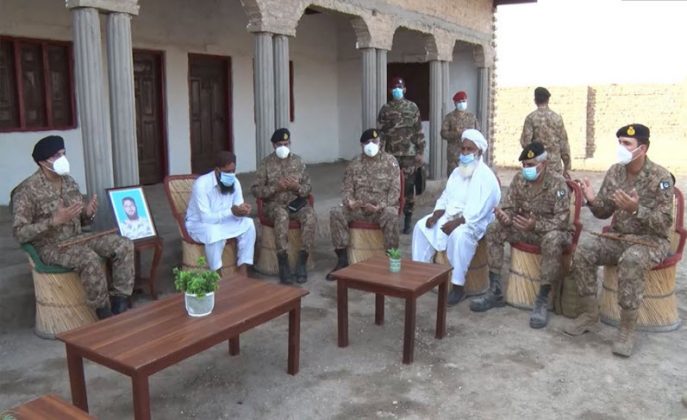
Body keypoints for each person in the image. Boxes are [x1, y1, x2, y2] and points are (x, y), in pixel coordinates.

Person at [564, 124, 674, 357]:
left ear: (642, 148)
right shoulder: (615, 171)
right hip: (619, 236)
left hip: (650, 241)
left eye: (627, 144)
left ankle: (626, 329)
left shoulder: (661, 177)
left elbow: (665, 223)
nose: (621, 148)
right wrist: (592, 199)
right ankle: (590, 314)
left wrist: (636, 210)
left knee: (632, 260)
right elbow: (604, 211)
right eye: (620, 142)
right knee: (584, 249)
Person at [11, 135, 134, 320]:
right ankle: (103, 311)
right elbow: (19, 233)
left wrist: (88, 212)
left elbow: (82, 221)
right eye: (56, 156)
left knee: (123, 244)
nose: (62, 159)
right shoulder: (26, 191)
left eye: (63, 153)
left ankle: (120, 301)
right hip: (51, 247)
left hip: (78, 238)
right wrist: (52, 221)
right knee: (88, 258)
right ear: (43, 161)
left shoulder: (69, 182)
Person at [470, 142, 572, 329]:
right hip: (523, 228)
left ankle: (542, 298)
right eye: (524, 165)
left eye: (531, 165)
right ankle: (495, 290)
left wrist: (537, 225)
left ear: (544, 164)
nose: (527, 169)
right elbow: (509, 208)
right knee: (494, 229)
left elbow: (563, 219)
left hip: (550, 232)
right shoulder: (519, 180)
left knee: (552, 239)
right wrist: (505, 217)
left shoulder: (558, 183)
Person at [411, 129, 500, 305]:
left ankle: (458, 286)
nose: (465, 153)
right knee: (421, 227)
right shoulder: (458, 172)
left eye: (470, 149)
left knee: (459, 236)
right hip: (451, 215)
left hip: (474, 221)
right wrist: (436, 214)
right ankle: (421, 273)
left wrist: (457, 223)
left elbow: (480, 210)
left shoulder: (486, 178)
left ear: (479, 152)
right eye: (463, 149)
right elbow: (446, 196)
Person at [327, 128, 401, 280]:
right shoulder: (354, 164)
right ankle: (342, 259)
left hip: (380, 209)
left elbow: (395, 192)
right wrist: (350, 202)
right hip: (359, 209)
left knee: (391, 214)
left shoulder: (390, 162)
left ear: (380, 143)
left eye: (375, 141)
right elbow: (346, 189)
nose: (371, 145)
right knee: (336, 212)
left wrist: (379, 206)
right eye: (367, 142)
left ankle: (391, 257)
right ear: (361, 145)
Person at [251, 128, 316, 284]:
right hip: (274, 205)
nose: (283, 147)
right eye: (280, 144)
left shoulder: (298, 162)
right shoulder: (266, 164)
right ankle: (283, 262)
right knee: (281, 215)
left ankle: (302, 261)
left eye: (286, 144)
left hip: (295, 204)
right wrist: (275, 187)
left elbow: (308, 188)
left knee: (310, 215)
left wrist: (296, 187)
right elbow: (255, 190)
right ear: (273, 145)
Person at [185, 151, 256, 277]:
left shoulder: (235, 182)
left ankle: (243, 269)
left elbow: (238, 207)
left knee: (249, 224)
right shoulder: (201, 184)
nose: (231, 175)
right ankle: (217, 275)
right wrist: (231, 212)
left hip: (225, 221)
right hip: (199, 224)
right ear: (217, 170)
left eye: (233, 171)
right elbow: (206, 218)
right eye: (227, 172)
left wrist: (242, 211)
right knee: (213, 233)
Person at [377, 76, 425, 234]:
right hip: (391, 155)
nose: (397, 90)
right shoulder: (385, 109)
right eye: (394, 88)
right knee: (390, 186)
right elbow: (381, 133)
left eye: (399, 87)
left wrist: (420, 152)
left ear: (404, 89)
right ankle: (391, 218)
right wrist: (380, 153)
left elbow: (418, 131)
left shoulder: (412, 107)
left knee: (409, 187)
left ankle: (408, 220)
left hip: (409, 155)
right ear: (390, 90)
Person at [520, 87, 572, 178]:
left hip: (537, 166)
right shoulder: (557, 118)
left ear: (535, 100)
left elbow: (525, 143)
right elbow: (564, 145)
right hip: (555, 167)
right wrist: (567, 166)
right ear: (548, 100)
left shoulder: (531, 118)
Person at [441, 91, 480, 176]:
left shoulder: (472, 117)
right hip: (454, 155)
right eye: (459, 102)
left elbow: (478, 133)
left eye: (464, 101)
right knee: (454, 178)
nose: (462, 103)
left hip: (469, 155)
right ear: (455, 103)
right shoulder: (449, 117)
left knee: (468, 178)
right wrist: (457, 133)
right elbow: (443, 133)